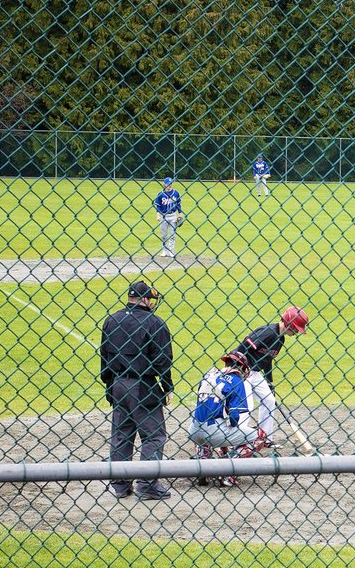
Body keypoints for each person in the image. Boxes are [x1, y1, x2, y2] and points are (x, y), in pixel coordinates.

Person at [99, 280, 174, 501]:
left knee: (122, 435)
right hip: (143, 385)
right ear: (145, 299)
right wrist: (167, 386)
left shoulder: (111, 320)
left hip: (118, 383)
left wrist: (109, 384)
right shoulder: (155, 323)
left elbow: (105, 355)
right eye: (150, 299)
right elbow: (163, 360)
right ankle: (147, 484)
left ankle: (121, 485)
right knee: (154, 435)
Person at [233, 306, 309, 450]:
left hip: (254, 373)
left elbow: (267, 360)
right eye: (296, 329)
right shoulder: (268, 332)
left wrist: (270, 382)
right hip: (241, 371)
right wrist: (239, 366)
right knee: (247, 406)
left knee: (269, 399)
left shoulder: (280, 340)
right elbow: (243, 346)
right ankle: (237, 439)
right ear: (290, 324)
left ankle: (265, 438)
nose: (296, 333)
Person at [188, 350, 259, 488]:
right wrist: (232, 427)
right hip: (214, 431)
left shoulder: (209, 375)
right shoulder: (236, 380)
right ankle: (227, 472)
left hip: (194, 430)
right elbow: (234, 416)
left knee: (214, 427)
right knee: (259, 437)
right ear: (242, 367)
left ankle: (203, 466)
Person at [154, 177, 183, 258]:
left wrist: (180, 213)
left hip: (173, 215)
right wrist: (158, 215)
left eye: (170, 184)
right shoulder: (160, 194)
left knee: (172, 234)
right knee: (164, 235)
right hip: (163, 216)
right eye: (168, 184)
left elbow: (178, 205)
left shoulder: (176, 193)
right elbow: (158, 206)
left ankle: (171, 251)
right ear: (164, 184)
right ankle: (164, 250)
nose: (169, 185)